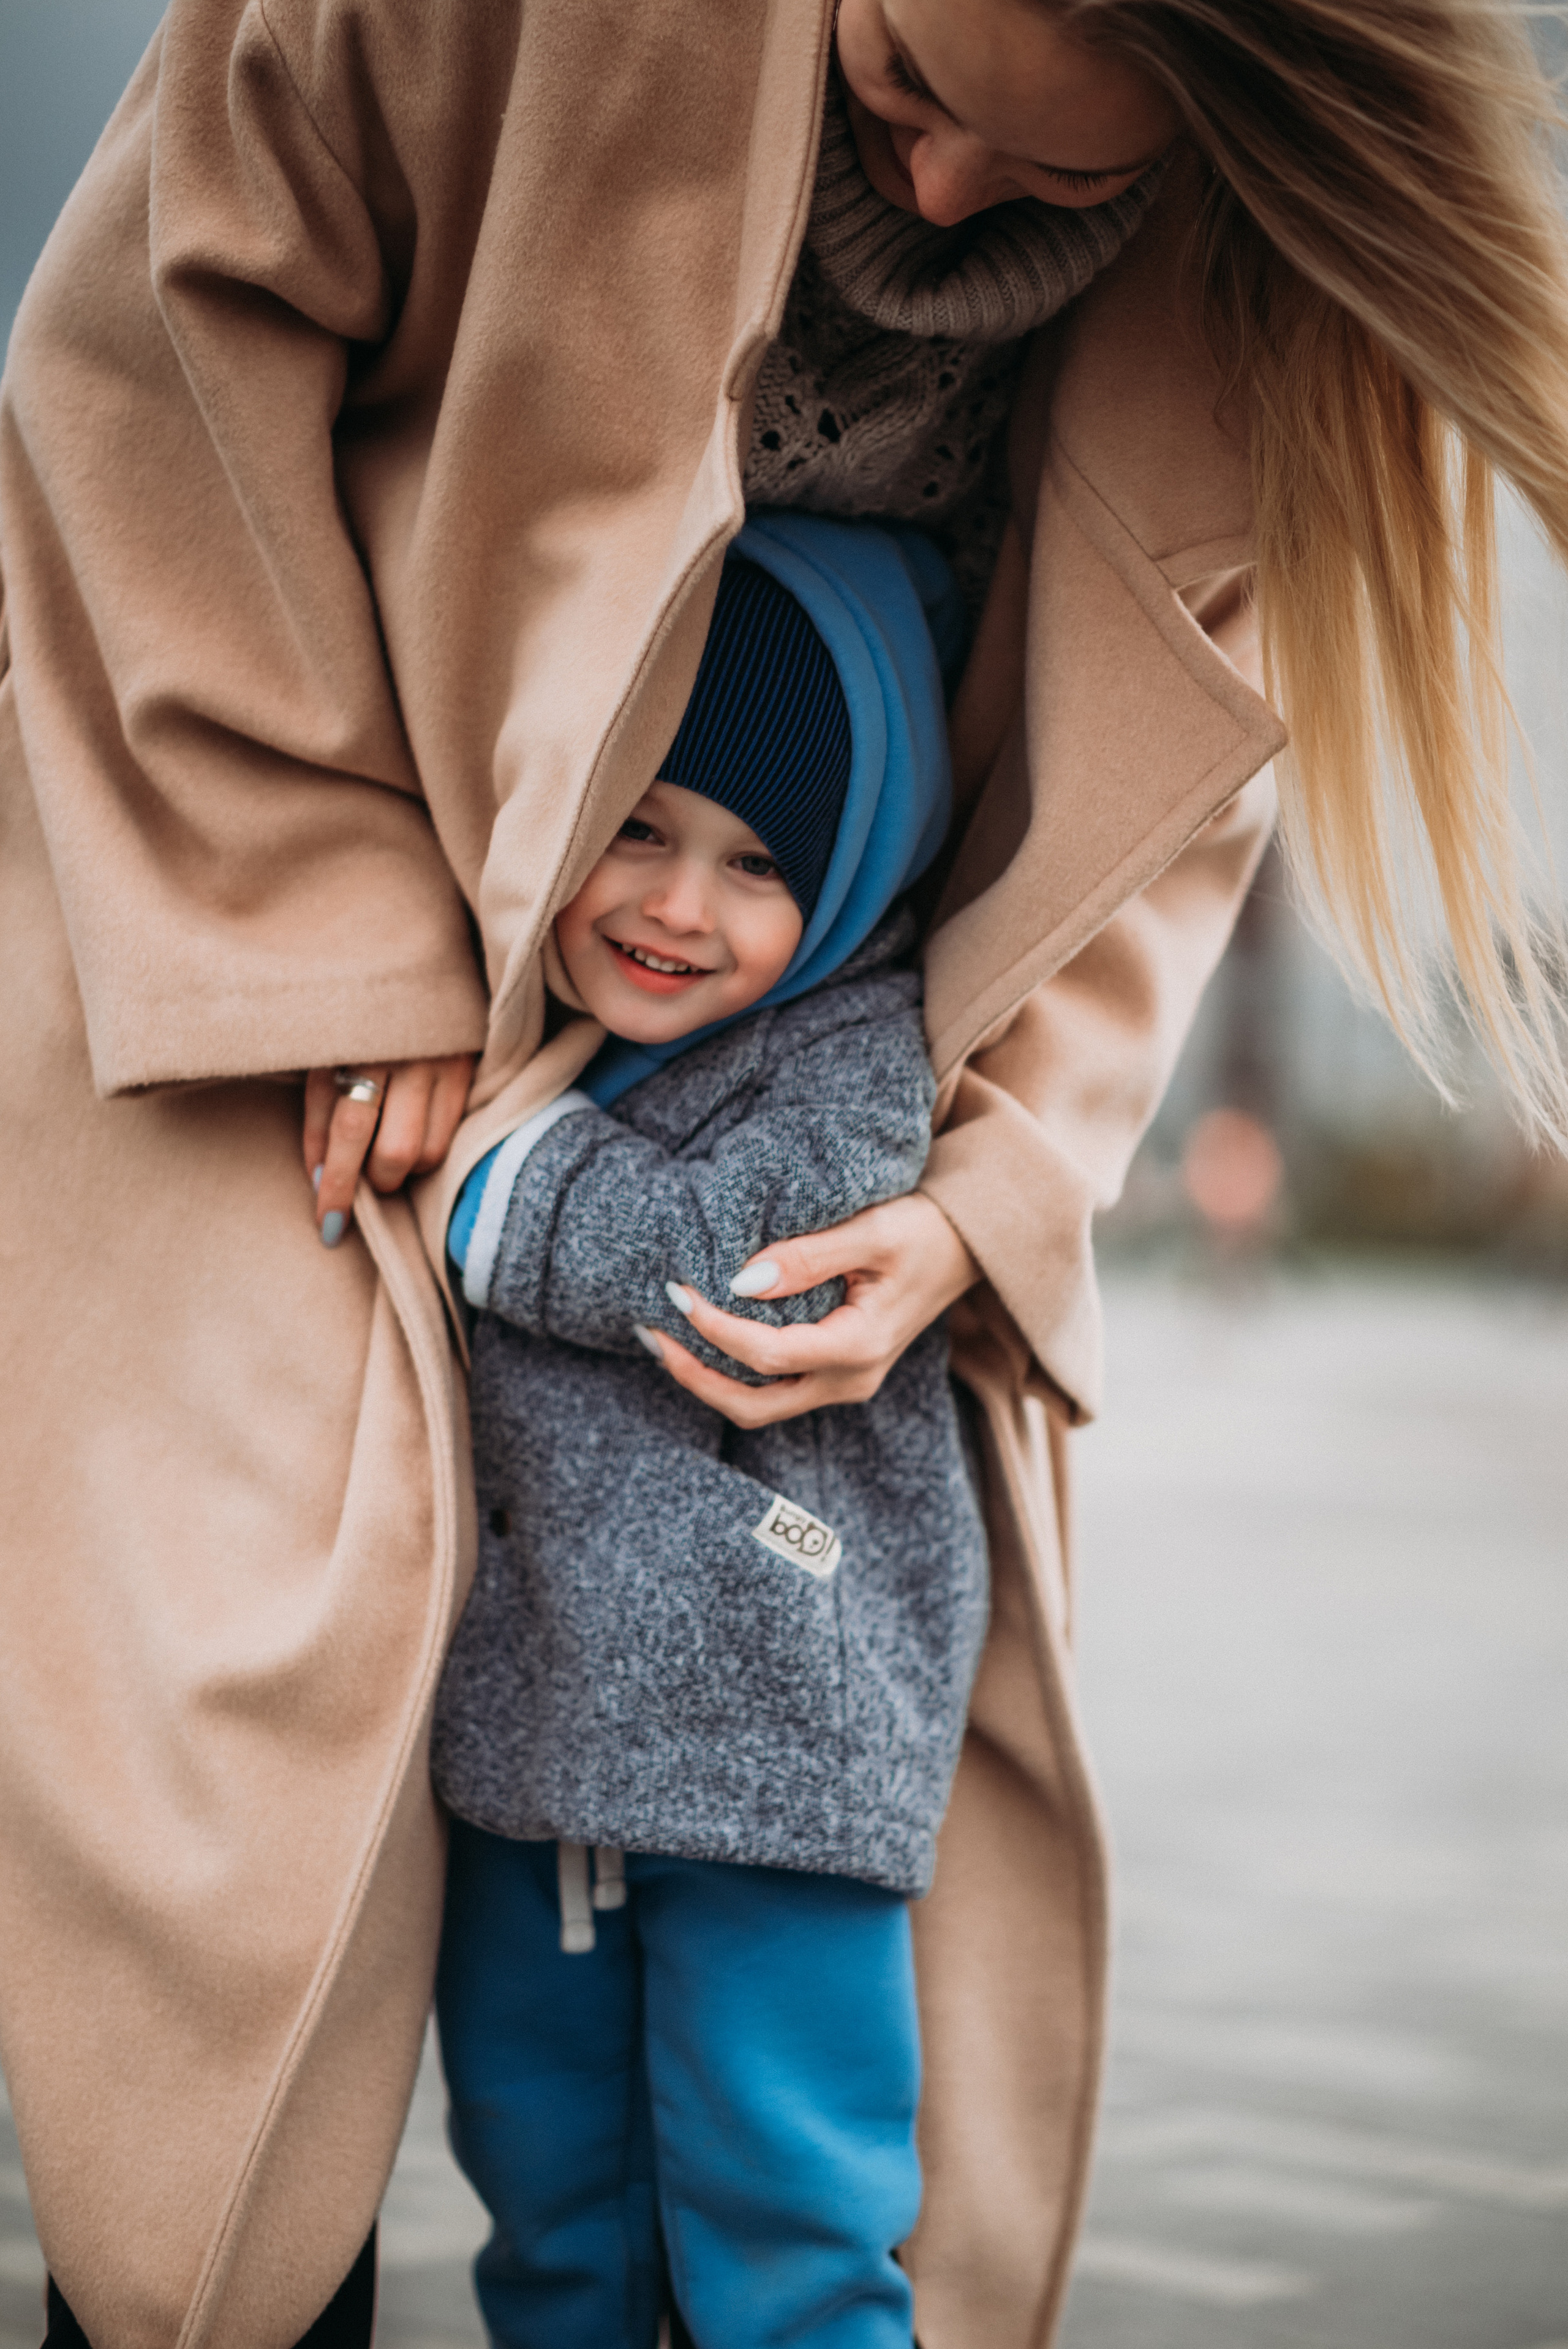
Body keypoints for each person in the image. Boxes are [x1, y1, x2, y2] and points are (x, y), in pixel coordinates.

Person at [1, 0, 1565, 2343]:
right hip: (274, 920)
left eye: (1065, 183)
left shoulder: (1257, 273)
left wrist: (990, 1192)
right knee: (228, 1929)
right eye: (904, 82)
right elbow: (147, 356)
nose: (931, 199)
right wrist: (325, 922)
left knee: (769, 2165)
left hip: (830, 1065)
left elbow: (1164, 795)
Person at [435, 509, 986, 2347]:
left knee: (792, 2234)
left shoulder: (855, 1058)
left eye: (758, 863)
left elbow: (726, 1272)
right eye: (641, 824)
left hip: (778, 1757)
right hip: (538, 1746)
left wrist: (496, 1181)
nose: (679, 904)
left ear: (848, 875)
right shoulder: (519, 1022)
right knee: (554, 2223)